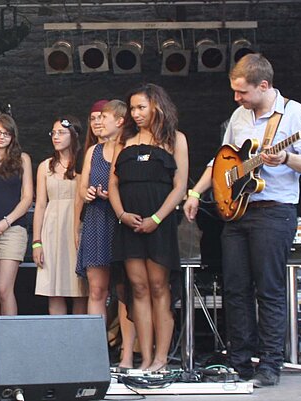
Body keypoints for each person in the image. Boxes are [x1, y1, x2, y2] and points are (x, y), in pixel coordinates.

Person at [183, 54, 301, 387]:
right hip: (237, 213)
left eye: (242, 92)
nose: (237, 98)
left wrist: (287, 157)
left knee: (270, 291)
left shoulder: (295, 114)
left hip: (274, 212)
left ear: (263, 85)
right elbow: (222, 161)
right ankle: (240, 362)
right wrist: (195, 193)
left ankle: (270, 365)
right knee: (235, 290)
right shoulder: (239, 115)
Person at [108, 83, 188, 373]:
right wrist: (121, 214)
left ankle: (161, 357)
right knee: (137, 288)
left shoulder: (175, 140)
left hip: (160, 223)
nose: (136, 113)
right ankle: (144, 357)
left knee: (158, 287)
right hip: (128, 222)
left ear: (157, 106)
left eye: (141, 107)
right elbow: (113, 183)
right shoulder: (124, 140)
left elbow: (180, 186)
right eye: (132, 108)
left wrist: (157, 218)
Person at [76, 100, 137, 368]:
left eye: (104, 117)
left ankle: (126, 356)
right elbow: (81, 188)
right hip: (96, 219)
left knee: (125, 291)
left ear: (120, 121)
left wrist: (113, 194)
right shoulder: (93, 151)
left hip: (120, 221)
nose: (98, 122)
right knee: (97, 290)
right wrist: (88, 193)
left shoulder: (129, 149)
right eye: (95, 118)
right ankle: (95, 355)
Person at [0, 113, 32, 316]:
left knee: (4, 288)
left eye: (7, 134)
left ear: (13, 136)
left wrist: (6, 222)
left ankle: (10, 339)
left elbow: (27, 197)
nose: (2, 137)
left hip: (12, 227)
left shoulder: (22, 159)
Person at [32, 117, 87, 315]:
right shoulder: (45, 166)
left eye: (61, 132)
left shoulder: (83, 162)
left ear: (73, 135)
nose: (56, 137)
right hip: (53, 226)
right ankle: (59, 340)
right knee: (53, 288)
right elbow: (39, 205)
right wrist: (37, 241)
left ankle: (79, 340)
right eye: (53, 133)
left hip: (76, 224)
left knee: (79, 289)